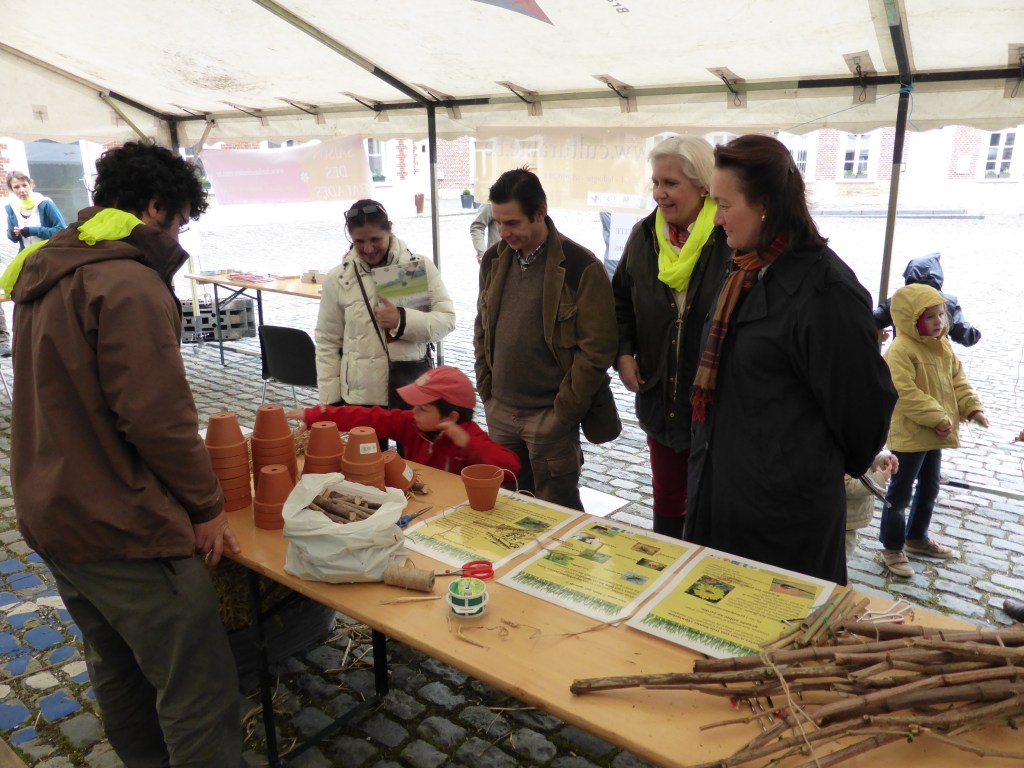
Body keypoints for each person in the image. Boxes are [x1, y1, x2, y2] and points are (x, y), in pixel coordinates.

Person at [9, 141, 243, 766]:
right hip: (122, 523)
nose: (181, 232)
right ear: (155, 207)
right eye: (182, 220)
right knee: (198, 688)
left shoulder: (45, 269)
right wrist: (206, 506)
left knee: (117, 664)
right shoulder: (127, 283)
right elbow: (158, 419)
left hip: (54, 510)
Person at [683, 135, 897, 585]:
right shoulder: (741, 268)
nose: (717, 219)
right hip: (721, 498)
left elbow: (863, 414)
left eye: (725, 205)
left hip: (784, 520)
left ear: (765, 204)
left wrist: (791, 461)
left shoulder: (826, 291)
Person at [474, 167, 618, 511]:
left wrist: (562, 414)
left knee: (557, 513)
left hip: (549, 418)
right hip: (501, 413)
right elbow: (482, 326)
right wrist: (488, 394)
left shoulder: (581, 267)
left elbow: (597, 350)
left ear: (540, 213)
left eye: (513, 223)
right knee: (506, 509)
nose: (504, 232)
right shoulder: (493, 259)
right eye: (498, 223)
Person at [612, 136, 732, 539]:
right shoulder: (644, 235)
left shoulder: (729, 237)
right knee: (667, 498)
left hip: (715, 402)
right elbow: (621, 301)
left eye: (670, 183)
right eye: (655, 183)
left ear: (702, 185)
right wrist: (624, 352)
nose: (660, 193)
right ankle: (666, 566)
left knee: (713, 500)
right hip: (659, 395)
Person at [878, 283, 987, 578]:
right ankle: (892, 546)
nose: (939, 322)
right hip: (911, 436)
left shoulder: (943, 347)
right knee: (899, 494)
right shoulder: (900, 350)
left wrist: (971, 408)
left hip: (935, 434)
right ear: (911, 320)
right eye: (930, 317)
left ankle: (916, 537)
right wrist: (939, 417)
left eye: (941, 315)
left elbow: (958, 382)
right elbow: (905, 393)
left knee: (929, 488)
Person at [315, 199, 455, 413]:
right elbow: (328, 341)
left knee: (413, 448)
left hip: (410, 386)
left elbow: (446, 320)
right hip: (361, 395)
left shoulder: (418, 267)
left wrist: (402, 320)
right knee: (364, 447)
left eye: (375, 239)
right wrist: (330, 400)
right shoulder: (338, 278)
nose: (368, 249)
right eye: (359, 241)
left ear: (390, 228)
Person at [287, 365, 521, 477]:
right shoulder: (410, 422)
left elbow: (511, 467)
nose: (414, 411)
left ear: (451, 417)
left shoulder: (470, 436)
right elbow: (369, 417)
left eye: (423, 408)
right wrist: (318, 415)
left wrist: (469, 446)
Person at [3, 171, 68, 356]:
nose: (22, 190)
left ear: (31, 185)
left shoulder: (45, 204)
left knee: (50, 297)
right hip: (27, 259)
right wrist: (14, 233)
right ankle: (34, 339)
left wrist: (31, 229)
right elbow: (13, 238)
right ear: (12, 190)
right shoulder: (12, 208)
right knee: (27, 297)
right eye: (17, 187)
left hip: (49, 256)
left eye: (25, 185)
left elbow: (60, 230)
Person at [873, 252, 981, 347]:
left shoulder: (898, 300)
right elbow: (963, 333)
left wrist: (876, 334)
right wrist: (975, 334)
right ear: (938, 275)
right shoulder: (947, 302)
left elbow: (871, 320)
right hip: (936, 357)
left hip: (904, 352)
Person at [843, 452, 898, 559]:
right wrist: (879, 479)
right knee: (839, 557)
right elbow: (847, 486)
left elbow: (865, 454)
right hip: (843, 519)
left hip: (848, 518)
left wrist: (882, 460)